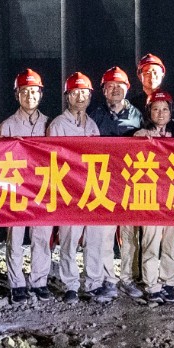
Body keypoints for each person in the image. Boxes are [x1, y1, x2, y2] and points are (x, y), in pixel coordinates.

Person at [49, 72, 116, 304]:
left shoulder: (92, 125)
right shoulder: (58, 125)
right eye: (75, 93)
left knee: (94, 239)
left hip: (92, 190)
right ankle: (70, 285)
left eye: (84, 93)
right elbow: (52, 159)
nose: (80, 97)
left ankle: (94, 283)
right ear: (67, 96)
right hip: (69, 192)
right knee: (69, 240)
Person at [0, 69, 53, 302]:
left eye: (34, 91)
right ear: (17, 95)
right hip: (16, 190)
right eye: (24, 91)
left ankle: (39, 281)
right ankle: (17, 283)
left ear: (41, 94)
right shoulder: (7, 126)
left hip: (42, 189)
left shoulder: (50, 124)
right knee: (16, 239)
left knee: (41, 237)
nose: (30, 96)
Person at [94, 67, 144, 297]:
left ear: (127, 88)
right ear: (103, 90)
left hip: (130, 182)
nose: (115, 90)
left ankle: (128, 278)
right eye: (110, 86)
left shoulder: (137, 115)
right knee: (105, 234)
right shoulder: (95, 115)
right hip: (104, 181)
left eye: (119, 86)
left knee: (129, 234)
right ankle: (108, 279)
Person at [133, 92, 174, 302]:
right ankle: (152, 284)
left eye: (164, 109)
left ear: (171, 112)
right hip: (150, 197)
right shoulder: (140, 135)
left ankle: (169, 281)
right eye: (155, 109)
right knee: (151, 243)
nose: (160, 113)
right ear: (148, 112)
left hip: (173, 197)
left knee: (171, 243)